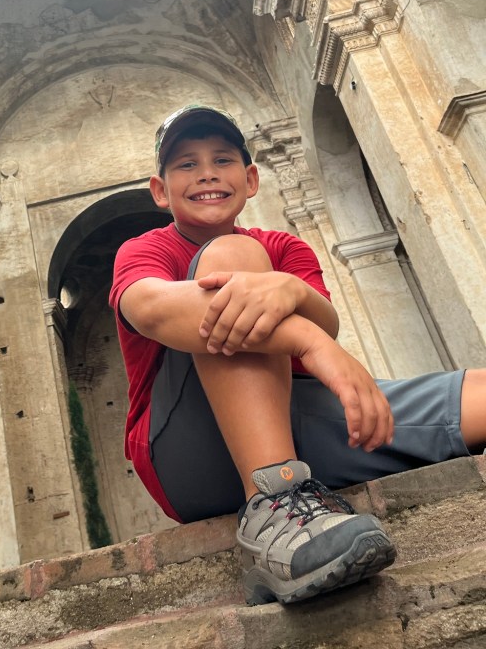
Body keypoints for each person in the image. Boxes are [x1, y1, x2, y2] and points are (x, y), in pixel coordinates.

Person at [110, 104, 486, 606]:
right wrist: (308, 341)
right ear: (160, 190)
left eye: (222, 159)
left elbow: (325, 319)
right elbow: (151, 310)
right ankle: (275, 506)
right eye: (186, 164)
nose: (206, 173)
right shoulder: (145, 250)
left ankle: (298, 497)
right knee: (232, 257)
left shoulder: (284, 247)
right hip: (189, 450)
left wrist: (291, 289)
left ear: (250, 179)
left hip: (300, 421)